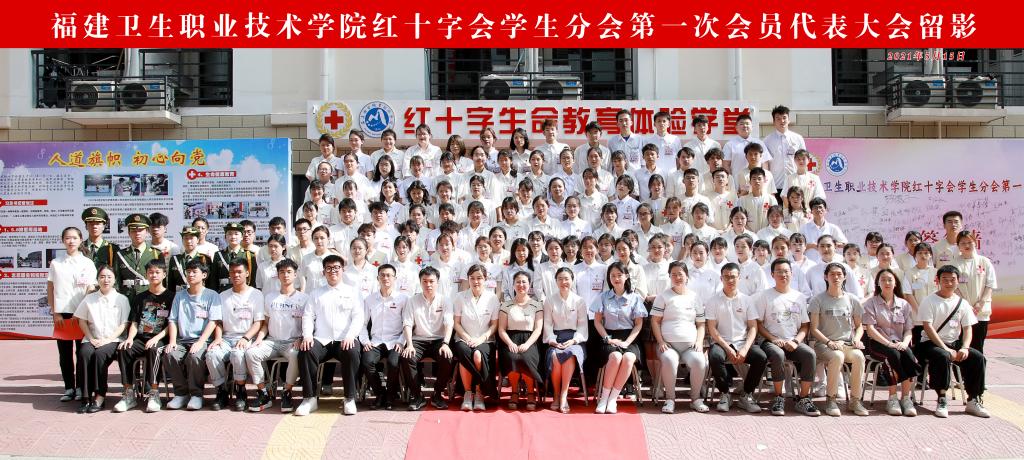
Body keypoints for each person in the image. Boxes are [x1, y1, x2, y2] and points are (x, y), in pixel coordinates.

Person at [295, 255, 364, 416]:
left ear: (343, 270)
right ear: (323, 272)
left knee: (352, 351)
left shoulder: (353, 292)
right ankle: (309, 398)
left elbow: (358, 317)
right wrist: (307, 336)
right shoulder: (316, 293)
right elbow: (308, 316)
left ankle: (349, 398)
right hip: (322, 339)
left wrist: (350, 336)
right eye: (329, 268)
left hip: (344, 339)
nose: (333, 271)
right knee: (306, 350)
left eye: (336, 268)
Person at [916, 265, 989, 418]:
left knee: (978, 358)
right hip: (930, 343)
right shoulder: (929, 301)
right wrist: (945, 348)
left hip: (954, 343)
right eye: (945, 279)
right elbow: (928, 327)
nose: (949, 283)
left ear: (957, 281)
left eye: (952, 280)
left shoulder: (962, 303)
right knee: (942, 356)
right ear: (937, 280)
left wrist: (965, 347)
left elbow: (967, 328)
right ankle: (942, 398)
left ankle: (973, 399)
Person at [757, 258, 820, 417]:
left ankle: (803, 398)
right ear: (772, 274)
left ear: (792, 274)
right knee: (778, 354)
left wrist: (796, 341)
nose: (783, 274)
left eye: (786, 271)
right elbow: (758, 324)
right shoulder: (765, 296)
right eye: (779, 271)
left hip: (793, 340)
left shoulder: (799, 297)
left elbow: (805, 325)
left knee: (810, 354)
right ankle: (779, 397)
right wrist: (773, 339)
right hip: (771, 341)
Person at [245, 258, 307, 413]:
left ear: (295, 275)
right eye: (282, 272)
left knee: (296, 355)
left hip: (292, 342)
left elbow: (308, 324)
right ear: (277, 275)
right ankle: (264, 393)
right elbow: (265, 324)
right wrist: (259, 339)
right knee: (251, 353)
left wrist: (301, 338)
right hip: (272, 341)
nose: (285, 275)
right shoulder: (269, 297)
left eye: (289, 272)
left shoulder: (304, 298)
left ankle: (287, 392)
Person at [808, 263, 869, 417]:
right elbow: (814, 329)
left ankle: (855, 400)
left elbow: (859, 326)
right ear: (825, 277)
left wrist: (856, 339)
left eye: (839, 274)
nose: (836, 277)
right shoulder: (818, 300)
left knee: (859, 357)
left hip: (846, 344)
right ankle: (831, 399)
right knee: (837, 356)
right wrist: (829, 342)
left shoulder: (852, 299)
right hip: (824, 345)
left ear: (844, 277)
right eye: (832, 274)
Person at [705, 263, 766, 413]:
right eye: (726, 277)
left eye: (733, 277)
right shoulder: (713, 301)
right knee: (715, 356)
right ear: (721, 278)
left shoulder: (747, 300)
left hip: (742, 342)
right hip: (721, 342)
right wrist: (727, 348)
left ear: (739, 278)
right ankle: (725, 394)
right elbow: (712, 329)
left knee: (761, 357)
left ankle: (747, 394)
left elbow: (753, 327)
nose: (730, 280)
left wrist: (745, 348)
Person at [115, 259, 174, 413]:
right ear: (146, 275)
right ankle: (129, 393)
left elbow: (172, 324)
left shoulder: (171, 297)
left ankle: (154, 392)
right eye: (150, 272)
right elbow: (135, 322)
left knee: (154, 349)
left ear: (164, 274)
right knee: (124, 349)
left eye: (157, 272)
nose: (154, 275)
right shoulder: (140, 297)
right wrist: (129, 338)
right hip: (141, 338)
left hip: (160, 338)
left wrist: (157, 338)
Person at [205, 261, 265, 411]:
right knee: (212, 354)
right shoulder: (222, 295)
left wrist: (245, 338)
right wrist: (218, 338)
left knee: (238, 354)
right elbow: (218, 321)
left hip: (247, 337)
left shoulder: (256, 294)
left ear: (247, 273)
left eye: (239, 272)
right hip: (226, 338)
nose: (235, 275)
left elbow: (258, 322)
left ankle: (241, 391)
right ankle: (221, 391)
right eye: (232, 272)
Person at [164, 260, 223, 411]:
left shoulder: (212, 295)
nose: (190, 275)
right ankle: (181, 394)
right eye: (188, 272)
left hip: (203, 340)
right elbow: (172, 320)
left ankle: (197, 395)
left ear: (204, 275)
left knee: (195, 356)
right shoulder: (179, 296)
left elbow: (214, 321)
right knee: (170, 354)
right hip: (183, 339)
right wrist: (172, 341)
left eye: (194, 272)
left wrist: (201, 341)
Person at [651, 261, 709, 414]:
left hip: (690, 347)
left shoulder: (695, 297)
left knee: (699, 361)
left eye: (680, 274)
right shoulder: (663, 296)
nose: (677, 277)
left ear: (687, 276)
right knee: (669, 360)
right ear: (669, 277)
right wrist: (661, 342)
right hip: (668, 346)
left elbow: (701, 324)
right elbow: (655, 321)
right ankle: (670, 399)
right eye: (673, 275)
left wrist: (699, 342)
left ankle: (695, 399)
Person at [74, 264, 131, 413]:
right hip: (92, 338)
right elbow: (82, 320)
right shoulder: (89, 298)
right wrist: (90, 338)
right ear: (97, 279)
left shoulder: (122, 299)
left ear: (114, 279)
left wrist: (108, 339)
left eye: (109, 277)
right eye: (102, 277)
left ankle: (100, 396)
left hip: (113, 340)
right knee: (84, 353)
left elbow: (124, 324)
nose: (106, 280)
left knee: (100, 355)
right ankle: (85, 397)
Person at [48, 226, 96, 403]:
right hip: (63, 315)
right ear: (63, 240)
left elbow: (91, 289)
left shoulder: (87, 263)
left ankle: (81, 387)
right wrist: (56, 313)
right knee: (65, 354)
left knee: (82, 353)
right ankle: (69, 387)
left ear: (81, 240)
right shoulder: (56, 263)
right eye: (67, 238)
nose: (71, 241)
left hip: (82, 315)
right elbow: (51, 288)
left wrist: (82, 313)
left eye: (75, 238)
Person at [592, 262, 648, 414]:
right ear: (609, 278)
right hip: (609, 337)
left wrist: (627, 342)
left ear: (626, 276)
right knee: (615, 357)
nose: (616, 279)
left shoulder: (634, 298)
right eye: (612, 276)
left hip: (630, 337)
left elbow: (638, 324)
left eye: (619, 275)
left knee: (628, 358)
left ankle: (613, 399)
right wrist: (608, 339)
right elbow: (597, 322)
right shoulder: (603, 297)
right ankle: (604, 398)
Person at [862, 269, 918, 417]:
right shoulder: (871, 303)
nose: (887, 282)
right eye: (883, 280)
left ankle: (905, 398)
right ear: (878, 283)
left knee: (910, 357)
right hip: (878, 343)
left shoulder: (904, 304)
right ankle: (892, 398)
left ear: (895, 283)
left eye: (890, 279)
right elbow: (870, 330)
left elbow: (908, 330)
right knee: (892, 356)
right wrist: (888, 344)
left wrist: (905, 343)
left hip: (899, 343)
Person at [401, 267, 456, 411]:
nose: (428, 284)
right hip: (418, 339)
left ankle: (437, 394)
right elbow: (407, 324)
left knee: (447, 357)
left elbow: (449, 323)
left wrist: (446, 343)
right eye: (424, 281)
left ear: (437, 282)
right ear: (420, 282)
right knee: (407, 357)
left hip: (439, 340)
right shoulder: (412, 300)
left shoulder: (445, 300)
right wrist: (409, 344)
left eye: (431, 281)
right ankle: (417, 396)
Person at [358, 264, 411, 410]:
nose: (385, 278)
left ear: (395, 278)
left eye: (389, 275)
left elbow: (407, 323)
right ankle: (380, 394)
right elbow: (362, 324)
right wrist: (365, 341)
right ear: (377, 278)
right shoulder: (369, 299)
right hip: (376, 341)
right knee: (367, 361)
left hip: (396, 341)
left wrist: (401, 342)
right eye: (382, 275)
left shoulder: (403, 299)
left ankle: (391, 396)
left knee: (393, 363)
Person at [453, 264, 501, 411]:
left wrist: (481, 339)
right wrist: (467, 338)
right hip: (463, 337)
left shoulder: (492, 298)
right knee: (464, 353)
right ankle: (468, 393)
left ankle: (479, 392)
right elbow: (456, 323)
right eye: (472, 278)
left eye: (479, 278)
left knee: (478, 356)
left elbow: (494, 325)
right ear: (468, 279)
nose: (475, 281)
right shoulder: (460, 297)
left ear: (485, 279)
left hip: (485, 339)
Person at [542, 267, 588, 413]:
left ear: (572, 280)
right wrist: (552, 340)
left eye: (566, 279)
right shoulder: (549, 300)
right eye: (560, 279)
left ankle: (564, 394)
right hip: (556, 339)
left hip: (575, 340)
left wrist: (574, 341)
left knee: (570, 354)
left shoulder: (579, 301)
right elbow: (547, 324)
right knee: (555, 356)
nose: (563, 282)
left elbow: (582, 326)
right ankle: (556, 394)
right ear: (555, 281)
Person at [497, 271, 545, 411]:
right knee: (512, 357)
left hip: (530, 340)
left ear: (529, 285)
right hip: (510, 340)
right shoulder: (506, 305)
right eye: (518, 282)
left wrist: (527, 344)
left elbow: (538, 329)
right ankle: (514, 392)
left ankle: (531, 393)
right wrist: (510, 343)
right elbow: (501, 329)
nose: (521, 285)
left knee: (525, 357)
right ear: (513, 285)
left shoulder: (537, 305)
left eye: (524, 282)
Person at [953, 230, 997, 354]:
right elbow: (953, 287)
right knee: (962, 344)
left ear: (975, 243)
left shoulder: (984, 261)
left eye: (969, 242)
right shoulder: (954, 263)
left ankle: (979, 366)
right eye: (963, 243)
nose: (967, 245)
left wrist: (981, 303)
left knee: (978, 344)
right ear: (958, 246)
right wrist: (966, 304)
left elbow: (990, 284)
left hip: (981, 311)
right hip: (962, 309)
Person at [115, 214, 164, 297]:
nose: (137, 233)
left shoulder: (156, 254)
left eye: (140, 230)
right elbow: (116, 281)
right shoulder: (120, 255)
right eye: (134, 230)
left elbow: (162, 281)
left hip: (149, 297)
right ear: (129, 233)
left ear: (147, 232)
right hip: (127, 298)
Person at [762, 106, 807, 195]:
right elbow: (765, 165)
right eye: (778, 119)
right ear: (774, 122)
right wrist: (767, 186)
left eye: (784, 118)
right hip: (775, 186)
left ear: (788, 120)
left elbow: (804, 160)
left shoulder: (798, 138)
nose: (782, 121)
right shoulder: (767, 141)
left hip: (795, 185)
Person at [212, 223, 258, 291]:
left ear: (242, 237)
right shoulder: (218, 255)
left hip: (243, 292)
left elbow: (253, 278)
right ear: (225, 237)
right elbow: (213, 279)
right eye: (230, 234)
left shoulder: (249, 255)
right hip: (223, 292)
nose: (233, 237)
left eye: (236, 234)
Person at [169, 226, 214, 293]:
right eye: (186, 238)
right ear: (182, 240)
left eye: (191, 238)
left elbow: (210, 283)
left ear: (197, 240)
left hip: (200, 295)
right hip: (179, 296)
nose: (189, 241)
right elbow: (171, 284)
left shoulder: (205, 259)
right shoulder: (175, 259)